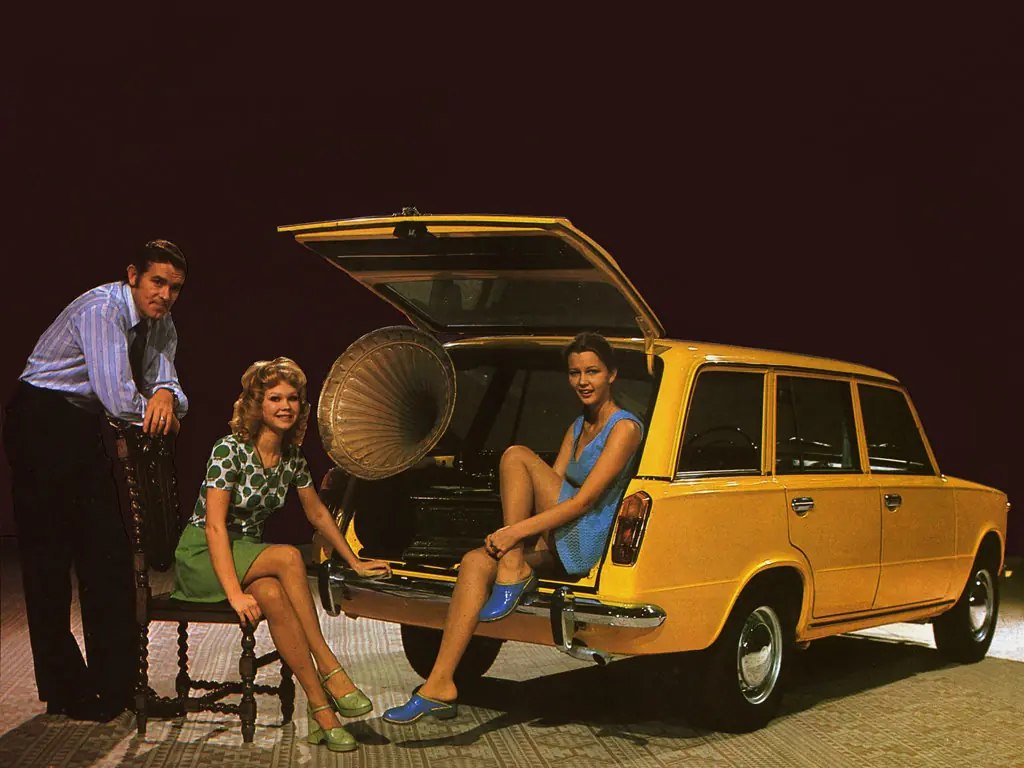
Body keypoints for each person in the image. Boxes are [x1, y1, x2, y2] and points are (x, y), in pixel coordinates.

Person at [383, 332, 644, 724]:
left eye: (592, 371)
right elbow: (550, 489)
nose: (583, 381)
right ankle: (440, 685)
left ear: (612, 375)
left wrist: (512, 536)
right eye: (575, 373)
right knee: (474, 562)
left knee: (516, 456)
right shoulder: (576, 426)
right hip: (559, 535)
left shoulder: (625, 428)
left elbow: (583, 502)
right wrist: (522, 543)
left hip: (588, 536)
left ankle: (512, 566)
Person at [3, 240, 189, 721]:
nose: (166, 295)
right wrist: (160, 400)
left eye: (174, 288)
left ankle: (120, 686)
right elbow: (121, 399)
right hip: (41, 420)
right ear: (133, 276)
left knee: (107, 557)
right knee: (48, 564)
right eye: (157, 283)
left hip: (80, 424)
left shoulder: (160, 320)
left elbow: (163, 381)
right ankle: (68, 691)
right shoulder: (102, 309)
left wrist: (167, 390)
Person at [171, 357, 390, 753]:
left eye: (292, 398)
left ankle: (321, 710)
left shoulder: (291, 458)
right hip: (204, 554)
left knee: (273, 593)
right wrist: (235, 595)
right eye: (274, 398)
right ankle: (330, 667)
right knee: (289, 557)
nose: (285, 405)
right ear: (256, 404)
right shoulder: (229, 451)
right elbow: (215, 528)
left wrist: (353, 560)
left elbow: (317, 513)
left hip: (247, 554)